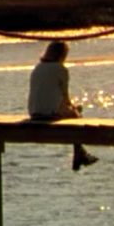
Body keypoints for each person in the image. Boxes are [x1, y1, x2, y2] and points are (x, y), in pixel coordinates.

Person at [28, 41, 98, 170]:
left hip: (34, 111)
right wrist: (74, 109)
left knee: (74, 112)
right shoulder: (61, 69)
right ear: (62, 55)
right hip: (50, 111)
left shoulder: (37, 68)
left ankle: (80, 153)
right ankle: (79, 153)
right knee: (77, 117)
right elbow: (65, 96)